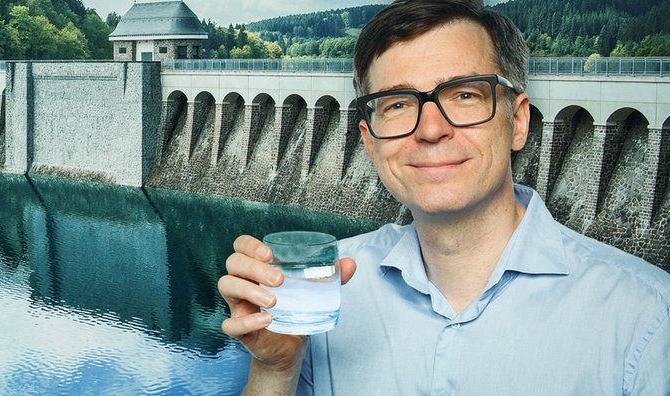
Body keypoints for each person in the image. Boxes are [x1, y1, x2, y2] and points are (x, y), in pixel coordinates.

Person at [218, 0, 670, 394]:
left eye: (465, 95)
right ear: (370, 142)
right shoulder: (323, 290)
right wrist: (275, 370)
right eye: (398, 103)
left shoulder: (647, 317)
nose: (431, 129)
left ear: (517, 122)